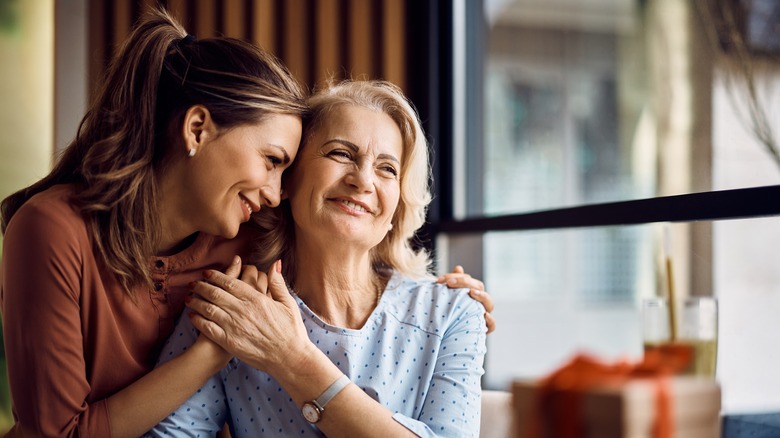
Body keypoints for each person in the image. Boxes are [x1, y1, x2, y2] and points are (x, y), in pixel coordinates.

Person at [0, 8, 492, 438]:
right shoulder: (235, 276)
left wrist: (452, 299)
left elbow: (348, 238)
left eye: (388, 168)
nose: (276, 192)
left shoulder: (244, 237)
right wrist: (213, 352)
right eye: (274, 161)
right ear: (197, 129)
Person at [147, 80, 488, 437]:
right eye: (341, 153)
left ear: (397, 207)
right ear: (288, 181)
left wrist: (292, 359)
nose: (363, 181)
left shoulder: (452, 312)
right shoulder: (235, 305)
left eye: (387, 168)